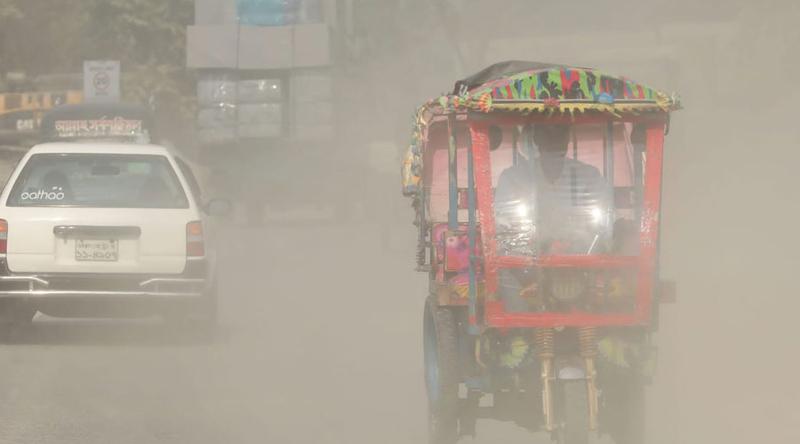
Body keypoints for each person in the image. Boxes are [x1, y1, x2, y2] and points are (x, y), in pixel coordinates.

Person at [494, 124, 612, 310]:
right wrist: (539, 244)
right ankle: (519, 330)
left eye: (561, 132)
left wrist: (580, 241)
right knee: (506, 267)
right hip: (530, 260)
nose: (555, 139)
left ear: (567, 138)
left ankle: (605, 327)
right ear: (537, 138)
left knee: (615, 275)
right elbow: (504, 224)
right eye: (548, 132)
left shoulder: (589, 176)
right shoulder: (513, 177)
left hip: (581, 256)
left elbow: (604, 218)